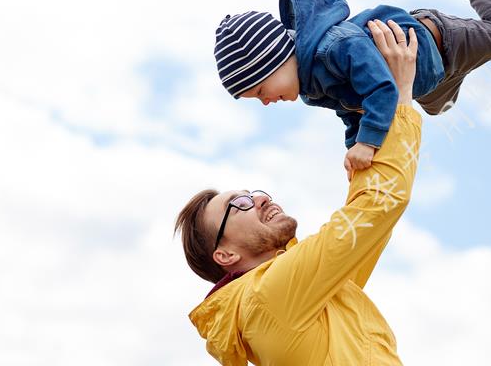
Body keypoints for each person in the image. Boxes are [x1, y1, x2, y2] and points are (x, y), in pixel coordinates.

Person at [175, 21, 420, 365]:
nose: (260, 198)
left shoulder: (301, 293)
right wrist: (398, 97)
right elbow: (378, 207)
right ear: (226, 255)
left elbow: (369, 222)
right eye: (239, 204)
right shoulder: (269, 296)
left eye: (252, 193)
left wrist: (370, 140)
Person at [213, 0, 491, 176]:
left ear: (275, 60)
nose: (266, 102)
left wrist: (368, 142)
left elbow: (380, 89)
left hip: (443, 44)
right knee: (437, 109)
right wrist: (355, 151)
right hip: (431, 82)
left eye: (259, 91)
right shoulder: (311, 89)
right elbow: (351, 111)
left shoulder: (336, 46)